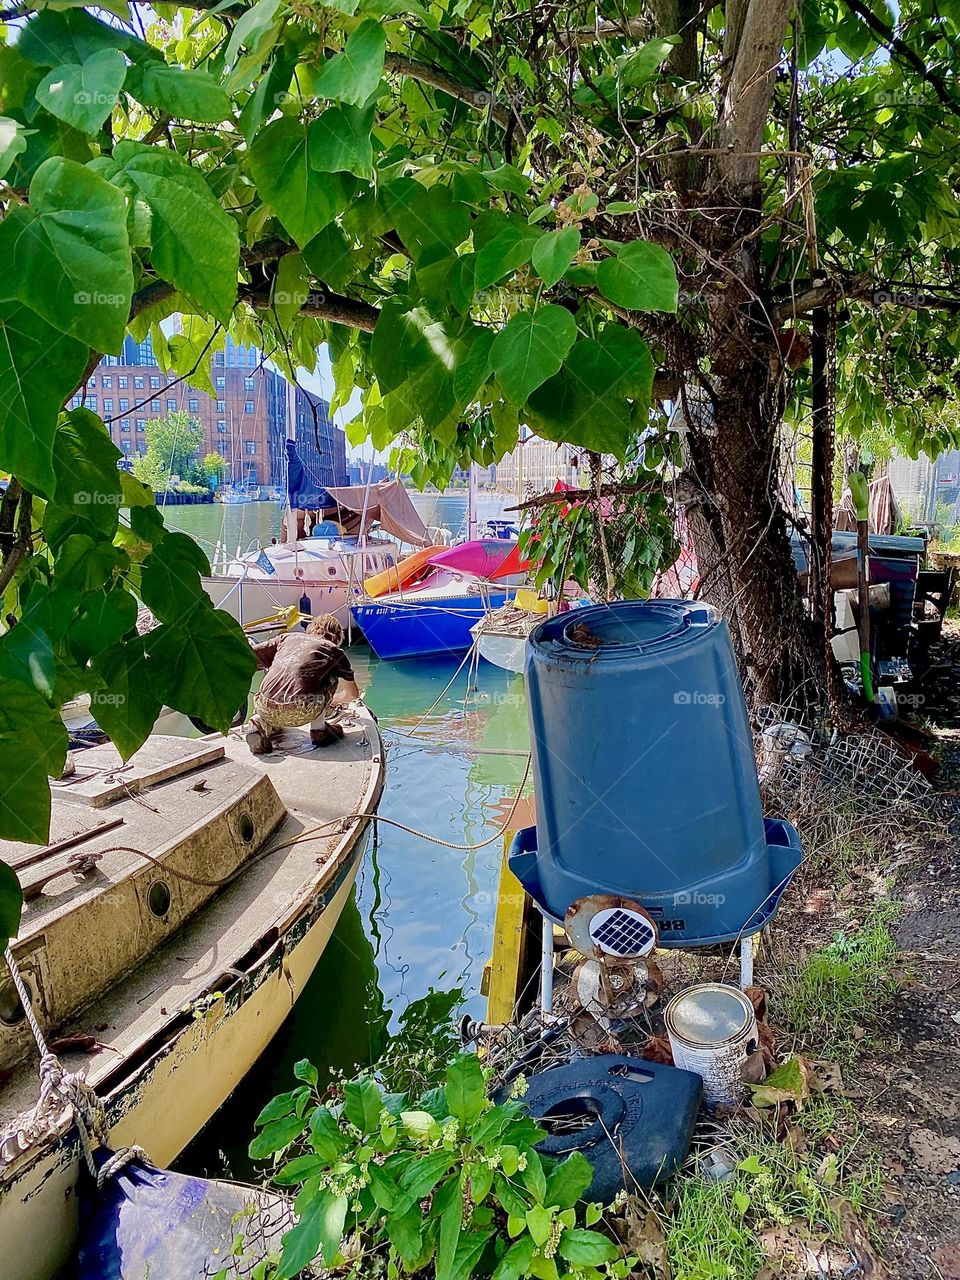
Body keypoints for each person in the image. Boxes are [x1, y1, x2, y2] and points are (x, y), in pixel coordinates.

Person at [245, 613, 361, 755]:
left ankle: (257, 721)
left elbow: (249, 656)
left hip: (265, 705)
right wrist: (334, 700)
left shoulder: (286, 637)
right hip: (304, 709)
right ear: (337, 637)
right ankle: (319, 729)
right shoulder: (334, 650)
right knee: (329, 674)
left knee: (274, 681)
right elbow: (352, 694)